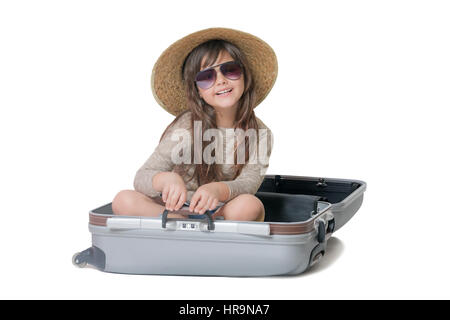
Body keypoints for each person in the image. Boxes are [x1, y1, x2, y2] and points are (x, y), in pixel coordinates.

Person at [111, 28, 277, 221]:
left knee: (250, 205)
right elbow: (142, 177)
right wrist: (167, 180)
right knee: (123, 200)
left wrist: (217, 190)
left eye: (230, 70)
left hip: (221, 212)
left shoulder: (261, 133)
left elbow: (248, 183)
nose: (221, 81)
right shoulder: (187, 125)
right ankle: (179, 225)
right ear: (198, 91)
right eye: (207, 77)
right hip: (176, 209)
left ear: (245, 76)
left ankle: (206, 231)